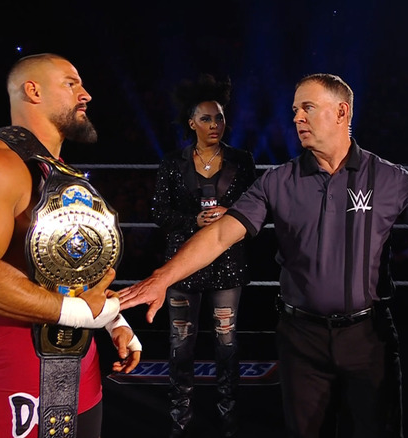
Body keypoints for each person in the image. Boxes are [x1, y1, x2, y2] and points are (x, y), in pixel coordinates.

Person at [120, 73, 408, 438]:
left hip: (367, 337)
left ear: (342, 112)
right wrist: (161, 277)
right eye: (294, 110)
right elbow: (219, 238)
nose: (297, 118)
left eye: (307, 107)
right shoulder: (278, 182)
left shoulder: (387, 177)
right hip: (300, 337)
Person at [0, 53, 141, 438]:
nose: (86, 95)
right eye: (71, 83)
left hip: (79, 356)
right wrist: (83, 314)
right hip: (16, 358)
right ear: (32, 90)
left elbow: (62, 269)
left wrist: (113, 318)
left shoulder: (57, 170)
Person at [155, 74, 256, 437]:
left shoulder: (242, 161)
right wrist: (192, 220)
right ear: (192, 123)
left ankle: (229, 418)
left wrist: (230, 215)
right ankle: (180, 418)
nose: (215, 124)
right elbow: (160, 214)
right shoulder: (172, 163)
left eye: (220, 118)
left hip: (227, 263)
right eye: (208, 118)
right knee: (181, 342)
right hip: (183, 264)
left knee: (226, 341)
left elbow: (255, 209)